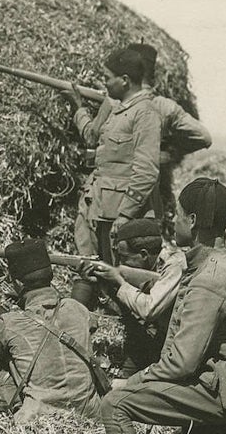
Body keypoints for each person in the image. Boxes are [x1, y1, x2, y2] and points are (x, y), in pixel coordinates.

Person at [96, 178, 226, 434]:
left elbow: (181, 364)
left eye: (179, 214)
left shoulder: (207, 280)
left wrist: (135, 381)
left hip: (221, 396)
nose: (173, 220)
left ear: (194, 221)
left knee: (114, 404)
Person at [61, 47, 163, 308]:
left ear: (125, 80)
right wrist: (79, 108)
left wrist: (126, 214)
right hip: (103, 205)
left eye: (108, 78)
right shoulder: (119, 108)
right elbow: (94, 136)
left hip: (122, 214)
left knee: (123, 275)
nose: (104, 84)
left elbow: (147, 170)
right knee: (100, 267)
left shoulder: (145, 113)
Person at [66, 43, 213, 224]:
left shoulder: (126, 105)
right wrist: (166, 154)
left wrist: (79, 109)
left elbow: (90, 136)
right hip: (116, 196)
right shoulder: (160, 105)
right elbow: (202, 136)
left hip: (130, 199)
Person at [0, 239, 103, 421]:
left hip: (42, 419)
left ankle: (16, 407)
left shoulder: (10, 323)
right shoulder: (78, 309)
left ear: (17, 283)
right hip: (90, 413)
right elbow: (75, 320)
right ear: (51, 275)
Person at [86, 215, 185, 381]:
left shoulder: (175, 265)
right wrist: (103, 287)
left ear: (144, 254)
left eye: (124, 258)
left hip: (177, 347)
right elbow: (127, 314)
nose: (120, 263)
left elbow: (149, 309)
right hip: (158, 338)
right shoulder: (154, 267)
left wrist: (119, 280)